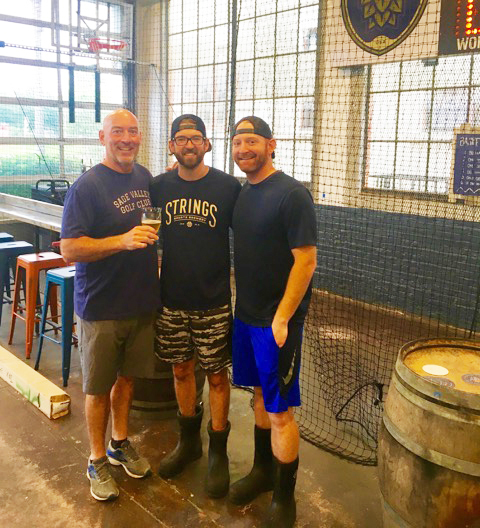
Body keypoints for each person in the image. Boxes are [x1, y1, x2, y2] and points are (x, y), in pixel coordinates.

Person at [60, 108, 160, 502]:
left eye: (133, 131)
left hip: (140, 302)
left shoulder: (145, 178)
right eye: (118, 131)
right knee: (98, 387)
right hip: (100, 307)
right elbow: (69, 248)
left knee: (128, 379)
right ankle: (96, 458)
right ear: (102, 136)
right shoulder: (86, 187)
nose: (126, 138)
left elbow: (151, 225)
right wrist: (121, 240)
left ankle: (120, 443)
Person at [230, 116, 317, 528]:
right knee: (259, 399)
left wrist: (283, 317)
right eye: (237, 142)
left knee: (280, 409)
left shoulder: (292, 194)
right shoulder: (244, 193)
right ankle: (262, 471)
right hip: (245, 317)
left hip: (276, 324)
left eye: (251, 141)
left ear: (271, 144)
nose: (244, 148)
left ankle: (285, 497)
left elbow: (306, 260)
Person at [150, 114, 241, 498]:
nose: (189, 144)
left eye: (196, 138)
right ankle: (189, 443)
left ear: (206, 144)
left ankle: (217, 450)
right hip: (171, 301)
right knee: (182, 370)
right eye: (182, 138)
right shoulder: (158, 187)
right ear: (172, 146)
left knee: (218, 377)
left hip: (214, 302)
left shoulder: (227, 187)